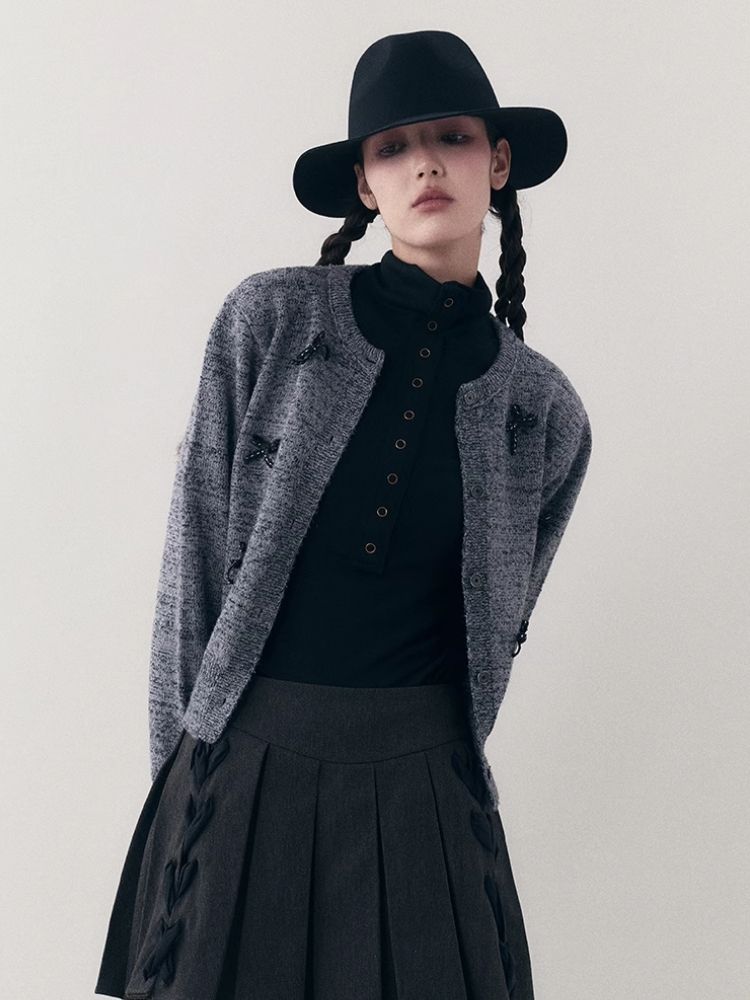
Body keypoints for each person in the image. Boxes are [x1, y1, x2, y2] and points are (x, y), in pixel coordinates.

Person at [94, 29, 592, 1000]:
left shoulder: (542, 413)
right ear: (365, 184)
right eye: (392, 148)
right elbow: (192, 568)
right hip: (245, 767)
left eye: (451, 137)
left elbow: (497, 631)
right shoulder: (272, 322)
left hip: (428, 794)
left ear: (498, 162)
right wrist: (179, 789)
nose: (425, 165)